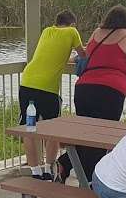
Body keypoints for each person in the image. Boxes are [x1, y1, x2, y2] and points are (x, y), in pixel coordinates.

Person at [57, 4, 126, 182]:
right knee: (102, 136)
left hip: (84, 88)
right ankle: (91, 181)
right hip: (110, 91)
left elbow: (86, 55)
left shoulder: (97, 33)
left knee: (86, 133)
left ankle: (66, 164)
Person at [19, 10, 85, 179]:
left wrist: (69, 58)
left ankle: (35, 170)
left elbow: (53, 56)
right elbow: (83, 54)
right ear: (71, 24)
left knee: (29, 128)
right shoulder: (72, 32)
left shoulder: (46, 31)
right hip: (48, 87)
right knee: (54, 129)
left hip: (27, 81)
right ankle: (49, 168)